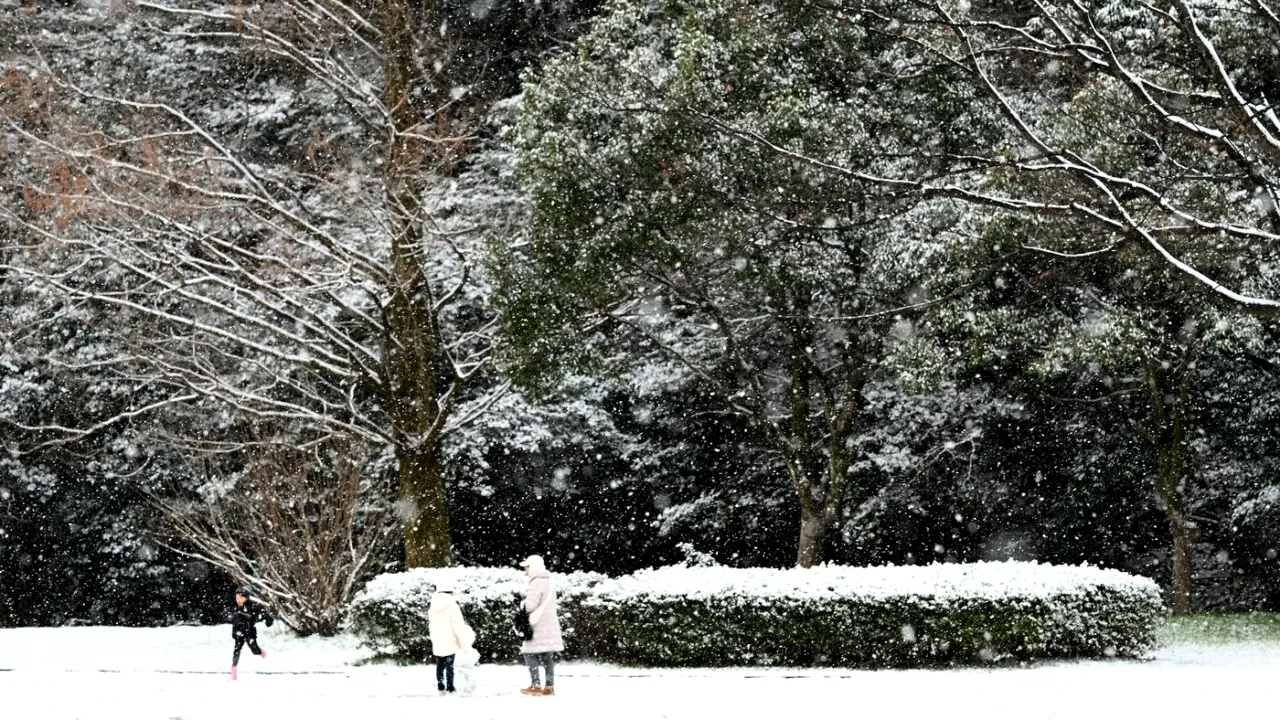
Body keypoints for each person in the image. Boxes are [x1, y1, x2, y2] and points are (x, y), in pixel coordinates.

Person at [518, 554, 563, 696]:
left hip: (537, 625)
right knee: (547, 656)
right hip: (549, 625)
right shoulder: (549, 582)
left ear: (533, 567)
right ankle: (549, 687)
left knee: (528, 652)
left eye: (527, 567)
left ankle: (535, 684)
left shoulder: (536, 582)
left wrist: (521, 606)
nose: (525, 570)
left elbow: (531, 605)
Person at [428, 579, 475, 695]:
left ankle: (440, 685)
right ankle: (450, 687)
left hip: (437, 638)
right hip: (450, 639)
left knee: (439, 662)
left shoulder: (432, 606)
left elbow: (431, 624)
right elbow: (458, 627)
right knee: (449, 663)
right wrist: (465, 645)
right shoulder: (453, 606)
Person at [229, 585, 274, 680]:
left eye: (241, 598)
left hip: (249, 633)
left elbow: (263, 611)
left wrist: (268, 619)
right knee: (236, 650)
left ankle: (261, 652)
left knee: (254, 650)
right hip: (238, 632)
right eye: (237, 597)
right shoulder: (235, 606)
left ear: (246, 598)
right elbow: (232, 618)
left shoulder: (253, 606)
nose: (239, 600)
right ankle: (233, 672)